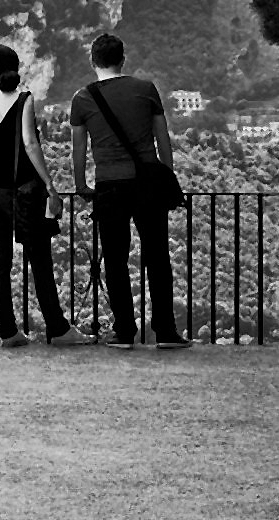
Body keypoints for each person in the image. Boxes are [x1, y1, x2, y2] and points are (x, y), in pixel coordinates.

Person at [0, 45, 91, 348]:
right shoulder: (24, 100)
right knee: (39, 260)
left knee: (0, 262)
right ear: (17, 67)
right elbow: (30, 144)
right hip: (23, 190)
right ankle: (57, 328)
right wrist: (51, 188)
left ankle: (8, 333)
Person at [69, 32, 191, 350]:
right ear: (123, 59)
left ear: (93, 61)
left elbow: (78, 150)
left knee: (115, 259)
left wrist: (81, 184)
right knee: (157, 257)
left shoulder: (83, 99)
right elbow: (163, 140)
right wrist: (167, 177)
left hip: (109, 186)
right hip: (148, 183)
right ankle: (165, 331)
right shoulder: (145, 90)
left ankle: (124, 331)